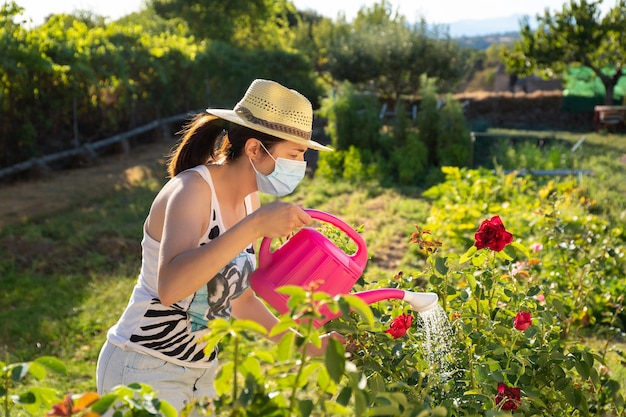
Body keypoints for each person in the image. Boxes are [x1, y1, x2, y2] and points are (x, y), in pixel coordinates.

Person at [96, 79, 340, 414]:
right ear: (255, 149)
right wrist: (253, 226)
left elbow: (242, 303)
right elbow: (170, 287)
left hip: (201, 372)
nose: (301, 165)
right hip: (142, 365)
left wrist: (317, 346)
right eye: (294, 154)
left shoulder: (249, 200)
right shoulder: (193, 190)